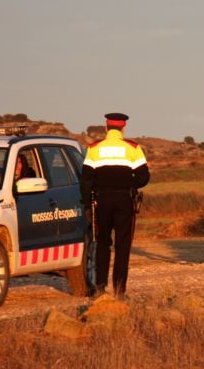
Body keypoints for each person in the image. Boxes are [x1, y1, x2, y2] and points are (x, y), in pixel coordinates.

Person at [80, 113, 150, 297]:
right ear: (123, 128)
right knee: (123, 245)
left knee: (102, 243)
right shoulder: (133, 148)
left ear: (106, 128)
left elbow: (86, 180)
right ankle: (119, 290)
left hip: (101, 201)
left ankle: (100, 288)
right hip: (125, 201)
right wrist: (131, 183)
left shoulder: (94, 148)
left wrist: (87, 205)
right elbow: (144, 177)